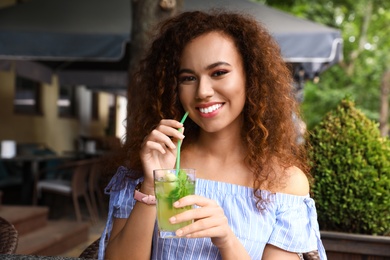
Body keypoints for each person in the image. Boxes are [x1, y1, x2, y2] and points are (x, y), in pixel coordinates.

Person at [98, 10, 327, 260]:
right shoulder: (154, 163)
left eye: (218, 73)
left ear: (250, 77)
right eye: (188, 78)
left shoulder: (284, 182)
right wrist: (152, 186)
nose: (202, 91)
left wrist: (227, 240)